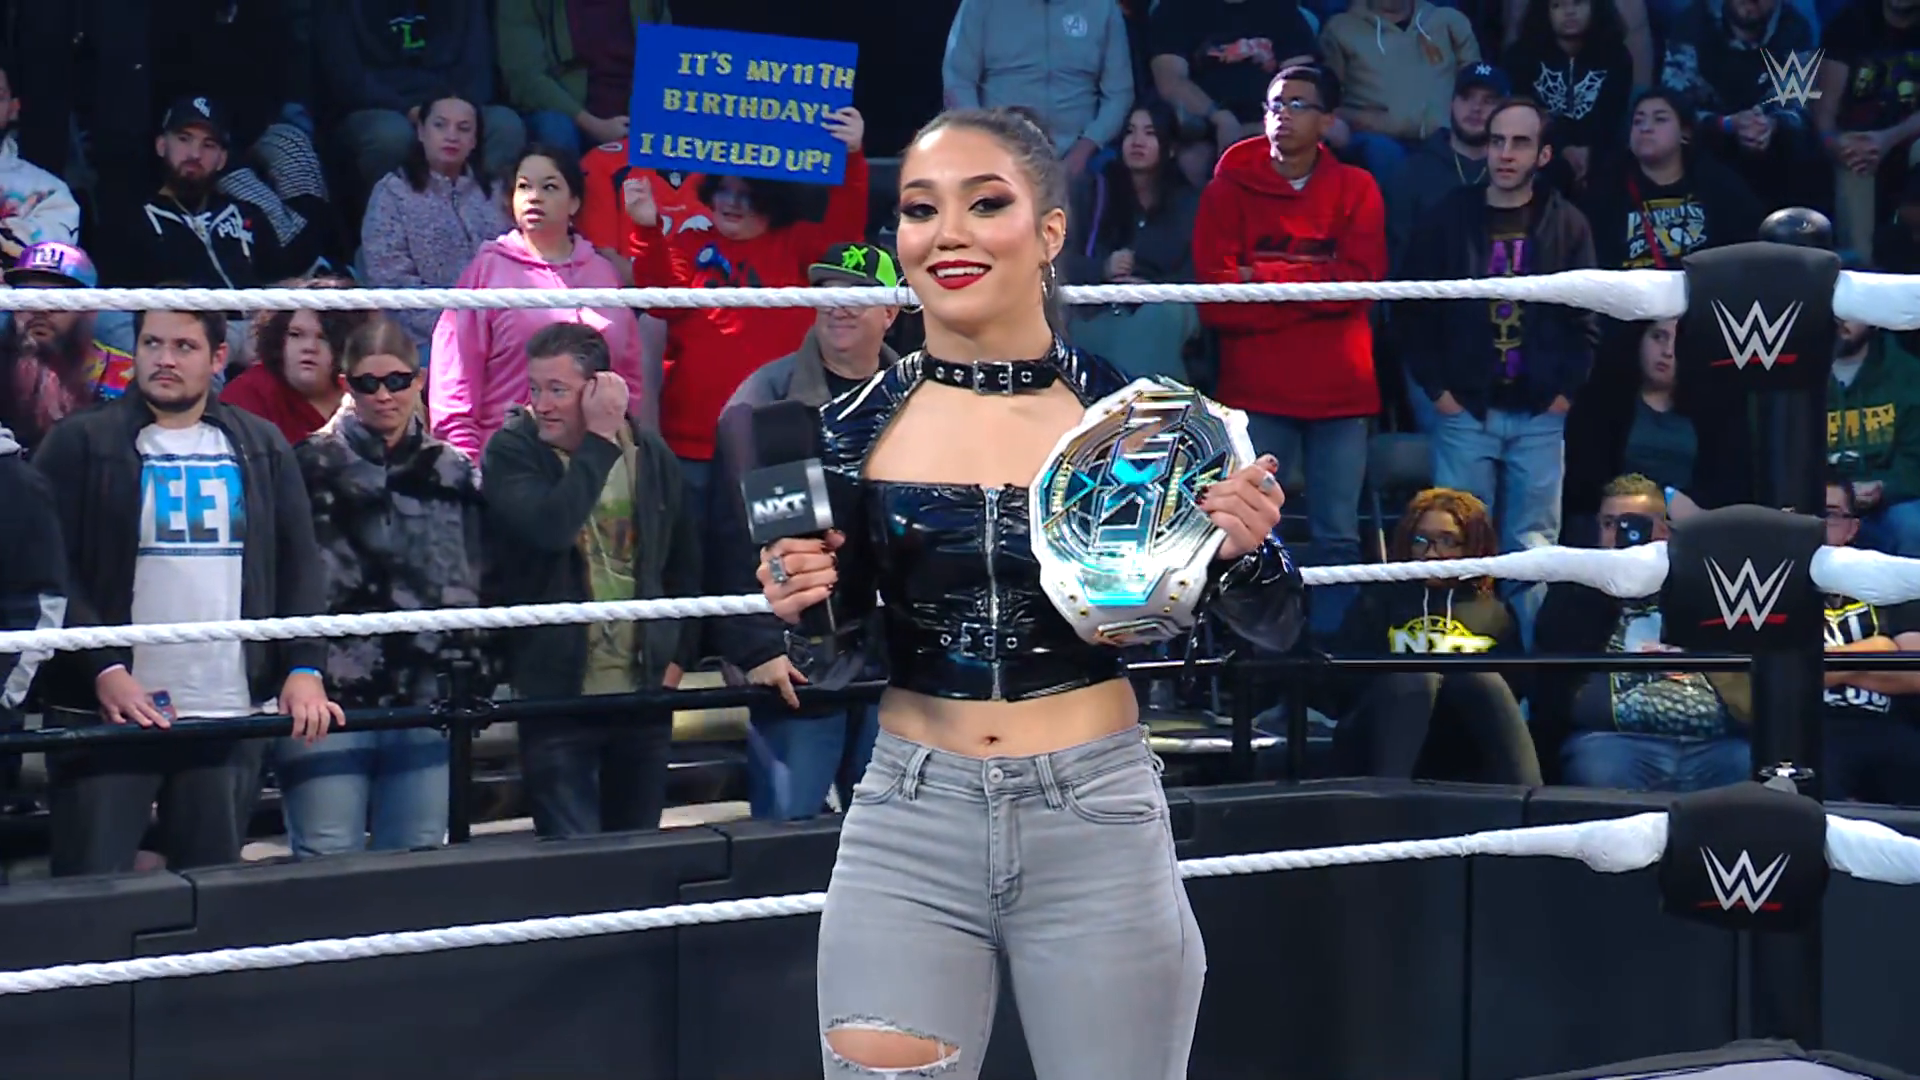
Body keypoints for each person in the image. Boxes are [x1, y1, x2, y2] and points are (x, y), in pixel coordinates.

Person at [756, 106, 1302, 1080]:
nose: (947, 233)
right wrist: (805, 614)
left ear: (1050, 231)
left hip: (1097, 817)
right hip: (909, 823)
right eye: (920, 209)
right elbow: (836, 669)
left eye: (985, 203)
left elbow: (1277, 631)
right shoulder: (839, 433)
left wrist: (1246, 555)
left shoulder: (1141, 422)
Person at [31, 308, 342, 876]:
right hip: (106, 714)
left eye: (183, 346)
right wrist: (103, 666)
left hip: (227, 709)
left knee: (212, 892)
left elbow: (298, 563)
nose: (165, 359)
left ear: (218, 357)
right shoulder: (80, 441)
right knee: (91, 893)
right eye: (152, 343)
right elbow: (47, 569)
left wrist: (305, 666)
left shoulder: (261, 444)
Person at [482, 322, 701, 838]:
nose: (542, 405)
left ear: (599, 387)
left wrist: (676, 658)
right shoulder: (513, 451)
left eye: (557, 390)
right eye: (535, 389)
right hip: (558, 697)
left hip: (642, 696)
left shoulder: (649, 454)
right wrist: (599, 441)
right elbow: (551, 528)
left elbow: (685, 563)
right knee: (573, 866)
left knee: (637, 856)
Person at [279, 318, 486, 857]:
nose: (383, 395)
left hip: (426, 699)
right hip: (326, 700)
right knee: (325, 861)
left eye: (396, 380)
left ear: (419, 380)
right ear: (345, 384)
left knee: (415, 863)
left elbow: (472, 578)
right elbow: (278, 578)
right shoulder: (304, 465)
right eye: (367, 383)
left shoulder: (454, 470)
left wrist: (471, 676)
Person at [1193, 65, 1387, 638]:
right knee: (1249, 534)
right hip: (1256, 393)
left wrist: (1261, 277)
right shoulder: (1226, 190)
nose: (1283, 115)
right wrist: (1315, 286)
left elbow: (1360, 285)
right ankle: (1261, 662)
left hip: (1342, 393)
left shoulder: (1358, 189)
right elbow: (1218, 305)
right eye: (1275, 104)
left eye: (1299, 104)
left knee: (1338, 538)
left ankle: (1330, 663)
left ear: (1328, 121)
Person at [711, 243, 903, 822]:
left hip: (896, 659)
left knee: (893, 841)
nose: (838, 307)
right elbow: (730, 534)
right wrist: (758, 649)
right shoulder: (765, 401)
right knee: (785, 842)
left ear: (891, 311)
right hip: (800, 664)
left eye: (855, 296)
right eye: (826, 294)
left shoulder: (918, 395)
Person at [429, 146, 647, 465]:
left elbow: (629, 376)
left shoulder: (604, 273)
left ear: (574, 202)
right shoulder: (487, 270)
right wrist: (467, 468)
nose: (534, 197)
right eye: (523, 186)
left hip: (597, 464)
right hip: (508, 463)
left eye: (549, 187)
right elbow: (455, 378)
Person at [1328, 488, 1539, 784]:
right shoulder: (1377, 601)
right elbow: (1342, 691)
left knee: (1480, 679)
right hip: (1382, 736)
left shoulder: (1495, 614)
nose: (1431, 553)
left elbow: (1511, 695)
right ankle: (1388, 800)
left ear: (1472, 546)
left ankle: (1528, 801)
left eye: (1447, 541)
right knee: (1417, 678)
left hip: (1460, 743)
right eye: (1420, 540)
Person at [359, 92, 514, 356]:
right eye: (440, 125)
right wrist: (459, 326)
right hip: (424, 338)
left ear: (474, 140)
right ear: (421, 132)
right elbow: (392, 282)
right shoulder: (391, 193)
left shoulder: (497, 192)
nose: (452, 136)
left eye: (463, 128)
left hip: (499, 329)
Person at [1560, 318, 1697, 542]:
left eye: (1677, 342)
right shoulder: (1604, 404)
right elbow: (1585, 484)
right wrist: (1657, 500)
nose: (1668, 351)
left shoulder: (1704, 411)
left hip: (1684, 527)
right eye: (1658, 337)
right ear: (1639, 339)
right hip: (1616, 523)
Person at [220, 278, 373, 446]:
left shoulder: (370, 391)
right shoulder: (248, 394)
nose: (309, 347)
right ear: (280, 339)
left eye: (323, 337)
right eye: (296, 334)